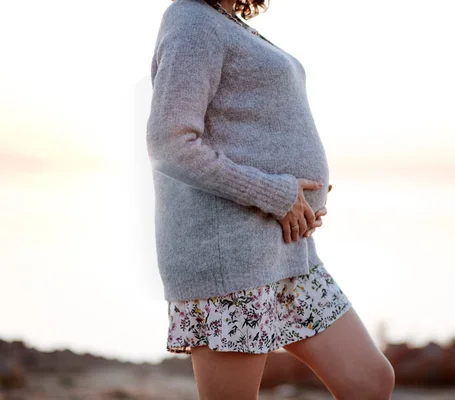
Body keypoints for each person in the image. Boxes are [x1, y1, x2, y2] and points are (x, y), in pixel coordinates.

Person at [146, 0, 395, 398]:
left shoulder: (227, 22)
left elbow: (246, 131)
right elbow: (170, 143)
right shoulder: (191, 19)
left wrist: (302, 193)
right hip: (228, 262)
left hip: (287, 253)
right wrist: (277, 193)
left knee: (369, 381)